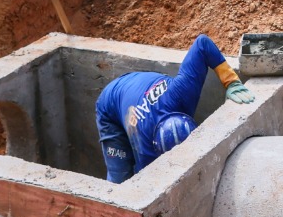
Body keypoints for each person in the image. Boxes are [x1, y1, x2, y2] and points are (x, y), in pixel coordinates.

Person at [96, 34, 254, 183]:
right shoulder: (146, 153)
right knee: (120, 180)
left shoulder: (182, 95)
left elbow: (202, 44)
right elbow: (143, 186)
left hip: (141, 85)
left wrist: (232, 82)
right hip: (111, 104)